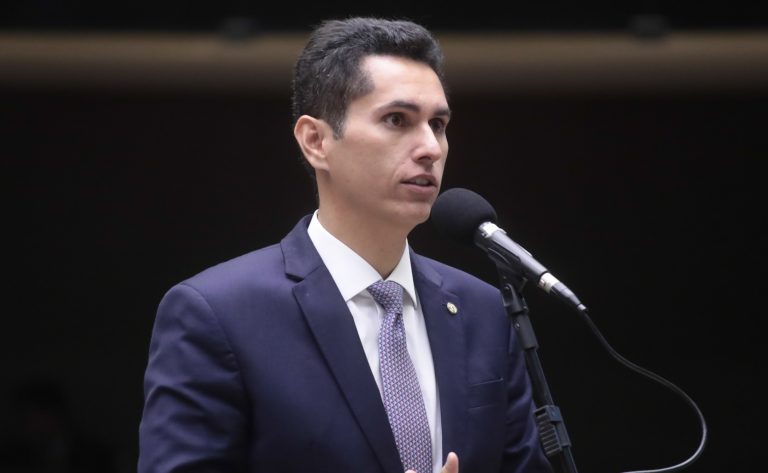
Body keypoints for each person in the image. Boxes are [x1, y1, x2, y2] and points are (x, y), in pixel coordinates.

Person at [138, 17, 553, 473]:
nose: (430, 148)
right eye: (397, 120)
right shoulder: (218, 313)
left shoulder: (483, 311)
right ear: (316, 141)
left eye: (438, 124)